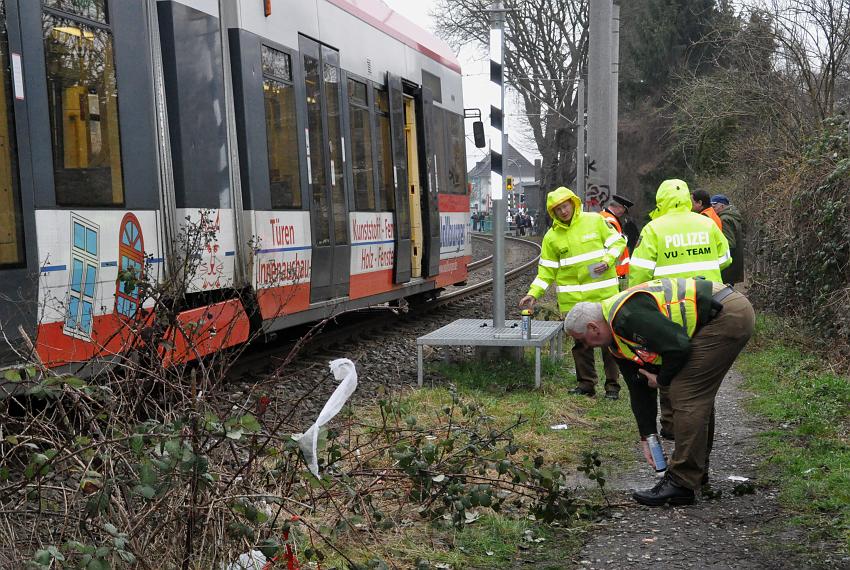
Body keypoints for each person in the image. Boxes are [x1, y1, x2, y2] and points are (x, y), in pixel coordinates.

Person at [563, 278, 755, 506]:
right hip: (717, 314)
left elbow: (678, 346)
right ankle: (695, 474)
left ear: (593, 328)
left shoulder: (626, 316)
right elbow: (638, 386)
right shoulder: (616, 339)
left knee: (687, 392)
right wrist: (647, 436)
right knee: (692, 393)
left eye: (582, 340)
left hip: (726, 314)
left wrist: (662, 379)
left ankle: (682, 483)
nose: (585, 347)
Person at [629, 179, 732, 439]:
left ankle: (672, 426)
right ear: (688, 199)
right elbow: (725, 259)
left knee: (670, 367)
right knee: (702, 381)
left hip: (670, 311)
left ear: (660, 201)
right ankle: (700, 439)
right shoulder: (707, 223)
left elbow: (638, 275)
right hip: (709, 308)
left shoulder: (654, 229)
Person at [519, 186, 627, 399]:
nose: (563, 212)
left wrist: (607, 261)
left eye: (565, 206)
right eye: (558, 209)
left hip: (604, 297)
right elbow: (546, 271)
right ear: (553, 212)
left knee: (610, 344)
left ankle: (612, 388)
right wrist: (534, 293)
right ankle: (586, 385)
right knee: (581, 345)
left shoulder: (594, 221)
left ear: (573, 203)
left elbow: (618, 242)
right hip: (574, 303)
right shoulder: (551, 238)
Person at [711, 194, 745, 285]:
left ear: (722, 206)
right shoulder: (733, 216)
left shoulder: (724, 219)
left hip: (728, 265)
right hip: (734, 262)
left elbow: (729, 243)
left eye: (714, 205)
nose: (712, 208)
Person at [601, 194, 635, 281]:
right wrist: (625, 239)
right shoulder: (610, 220)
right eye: (623, 209)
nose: (623, 212)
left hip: (614, 268)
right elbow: (615, 243)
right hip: (616, 270)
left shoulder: (605, 217)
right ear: (620, 207)